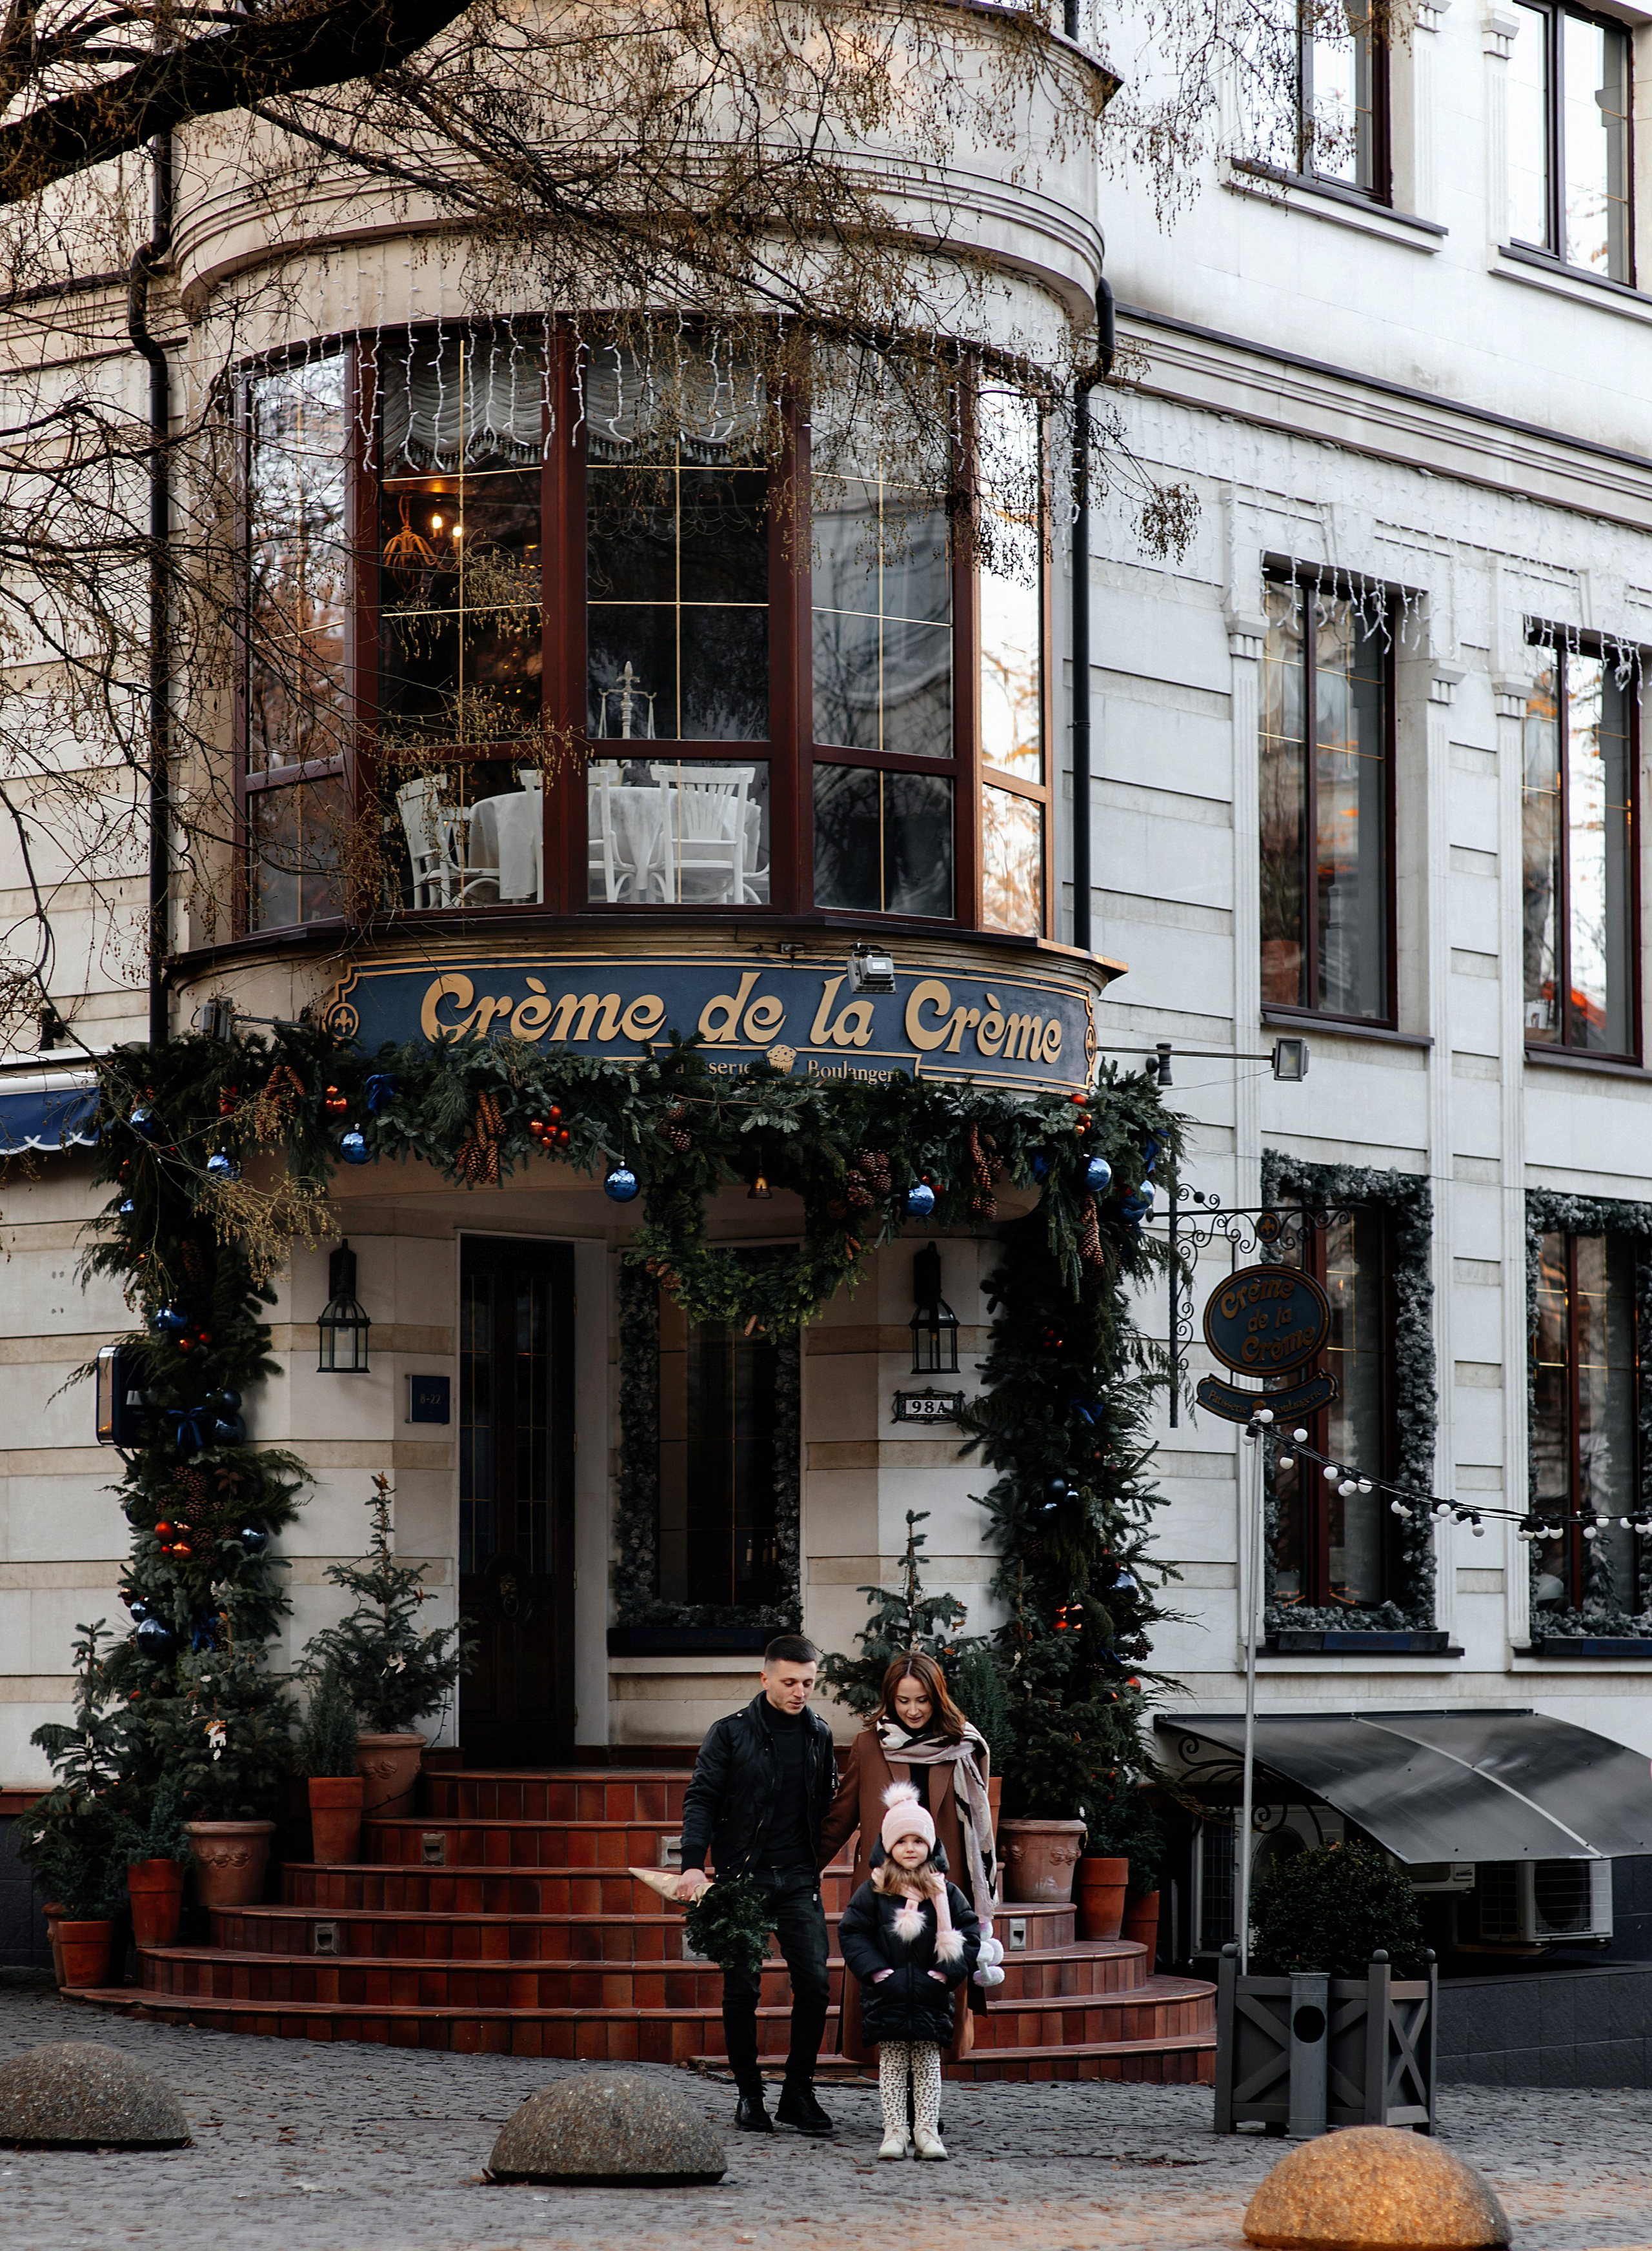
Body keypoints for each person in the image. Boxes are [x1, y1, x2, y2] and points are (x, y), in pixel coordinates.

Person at [674, 1633, 838, 2137]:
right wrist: (692, 1864)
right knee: (741, 1986)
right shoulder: (729, 1733)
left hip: (798, 1879)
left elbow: (831, 1802)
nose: (799, 1692)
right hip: (743, 1877)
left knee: (815, 1983)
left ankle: (798, 2093)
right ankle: (749, 2093)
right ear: (764, 1677)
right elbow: (701, 1797)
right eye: (789, 1682)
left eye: (808, 1683)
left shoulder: (819, 1733)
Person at [818, 1650, 998, 2063]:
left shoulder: (963, 1746)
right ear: (890, 1699)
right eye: (903, 1700)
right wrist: (800, 1868)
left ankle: (927, 2104)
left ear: (938, 1698)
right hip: (882, 1893)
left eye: (922, 1700)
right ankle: (896, 2111)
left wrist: (976, 1894)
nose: (913, 1710)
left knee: (936, 1996)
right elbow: (840, 1818)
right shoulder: (868, 1746)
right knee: (885, 1992)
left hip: (941, 1893)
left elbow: (978, 1828)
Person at [837, 1781, 981, 2161]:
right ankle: (895, 2131)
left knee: (929, 2067)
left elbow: (967, 1932)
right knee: (892, 2066)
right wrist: (874, 1971)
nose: (911, 1849)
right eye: (902, 1842)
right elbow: (854, 1932)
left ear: (931, 1846)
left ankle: (928, 2131)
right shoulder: (875, 1890)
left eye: (918, 1841)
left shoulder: (945, 1892)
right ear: (888, 1847)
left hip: (932, 1993)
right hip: (889, 1992)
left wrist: (948, 1972)